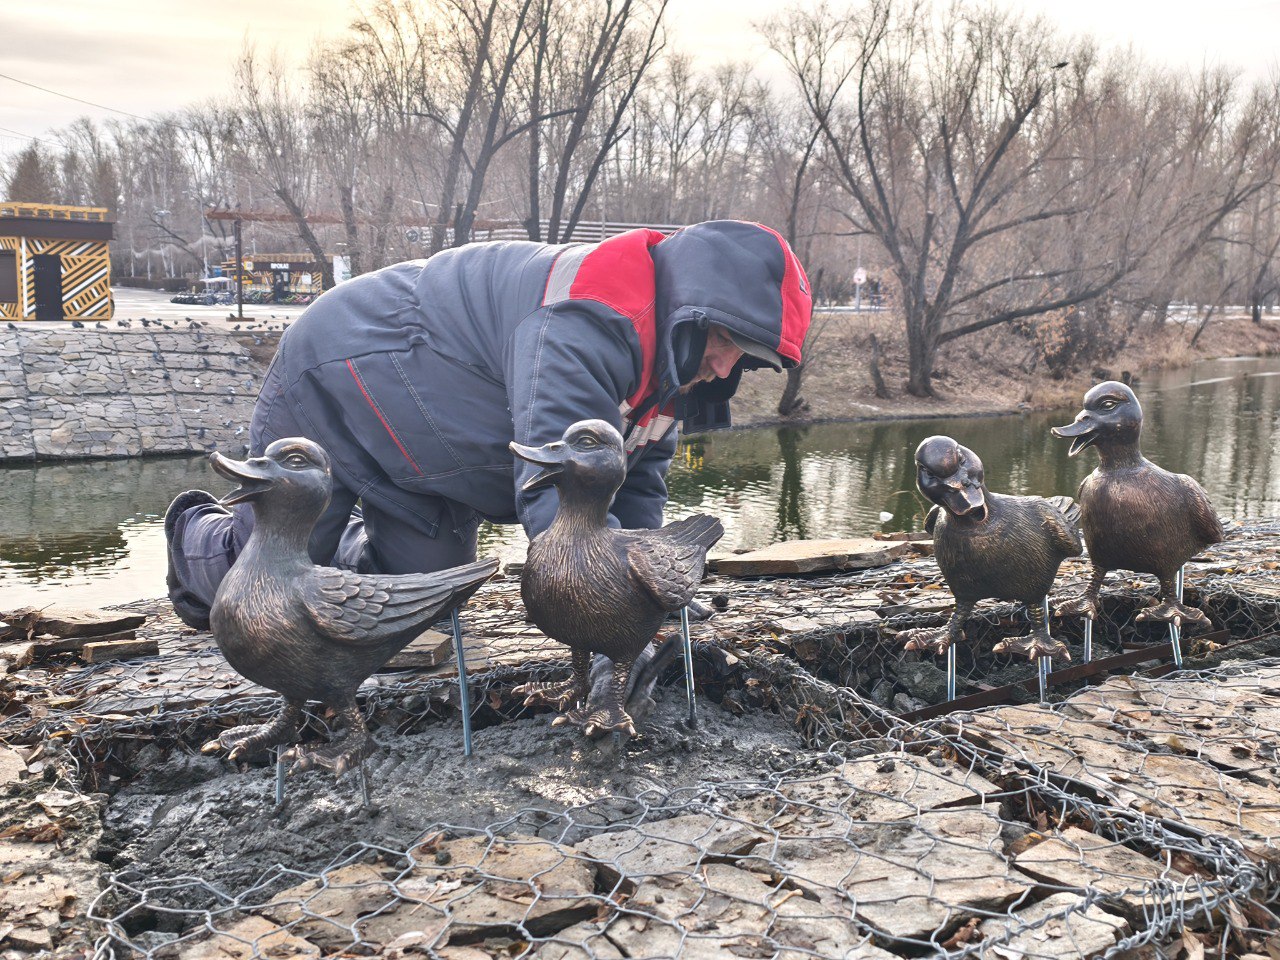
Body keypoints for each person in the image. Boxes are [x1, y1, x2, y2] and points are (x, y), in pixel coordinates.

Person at [166, 220, 813, 629]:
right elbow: (559, 519)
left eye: (747, 358)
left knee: (416, 604)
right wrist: (626, 609)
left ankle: (347, 543)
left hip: (430, 464)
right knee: (267, 594)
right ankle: (193, 535)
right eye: (726, 340)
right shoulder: (586, 320)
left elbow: (637, 489)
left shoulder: (677, 365)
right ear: (697, 310)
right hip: (342, 380)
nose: (727, 365)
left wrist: (655, 596)